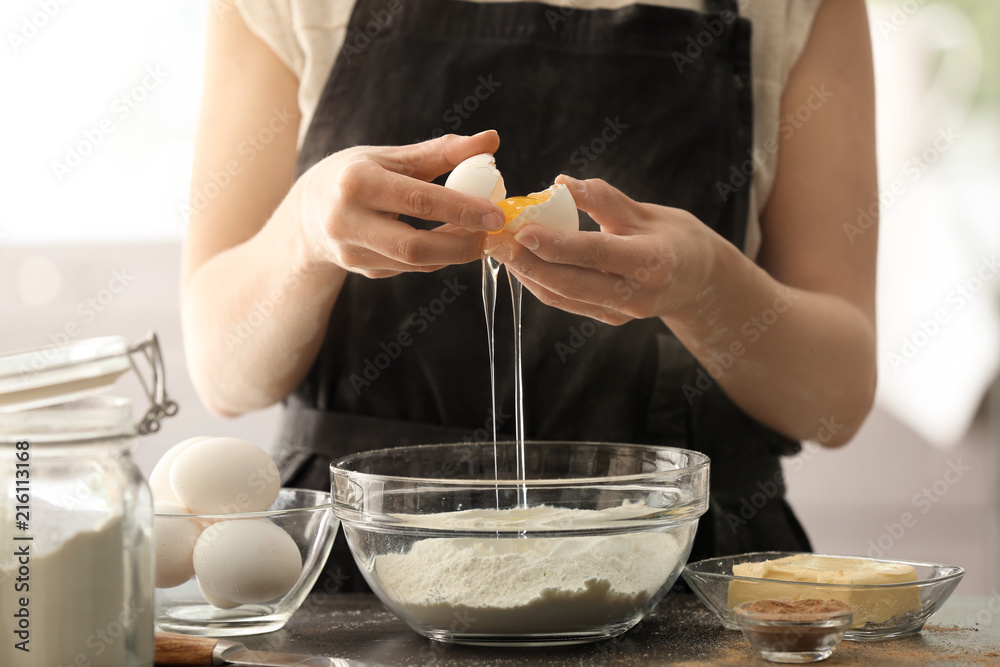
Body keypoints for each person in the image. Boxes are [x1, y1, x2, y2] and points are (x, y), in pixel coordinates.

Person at [182, 0, 877, 591]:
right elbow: (225, 371)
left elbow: (835, 399)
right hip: (366, 570)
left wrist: (707, 288)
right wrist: (305, 230)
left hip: (678, 575)